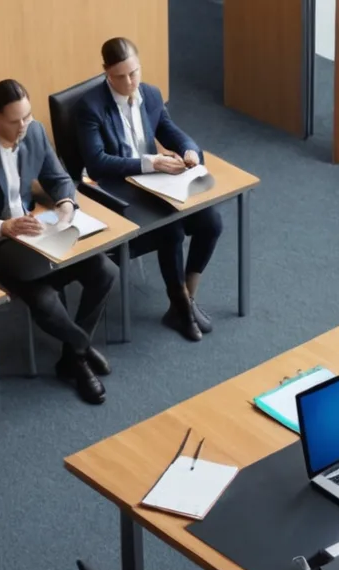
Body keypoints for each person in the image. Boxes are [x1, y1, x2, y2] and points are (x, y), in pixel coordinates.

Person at [0, 79, 117, 405]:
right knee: (46, 301)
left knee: (105, 271)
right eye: (15, 121)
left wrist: (66, 205)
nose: (24, 126)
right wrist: (4, 226)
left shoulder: (35, 132)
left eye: (27, 116)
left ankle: (72, 356)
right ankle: (81, 352)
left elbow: (59, 179)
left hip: (40, 227)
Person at [76, 36, 224, 343]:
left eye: (134, 72)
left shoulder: (151, 95)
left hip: (157, 183)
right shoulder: (89, 108)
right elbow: (98, 162)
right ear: (106, 72)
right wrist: (149, 164)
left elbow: (171, 131)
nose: (130, 82)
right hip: (119, 190)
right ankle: (182, 306)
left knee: (211, 222)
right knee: (170, 230)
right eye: (121, 76)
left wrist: (189, 151)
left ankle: (186, 297)